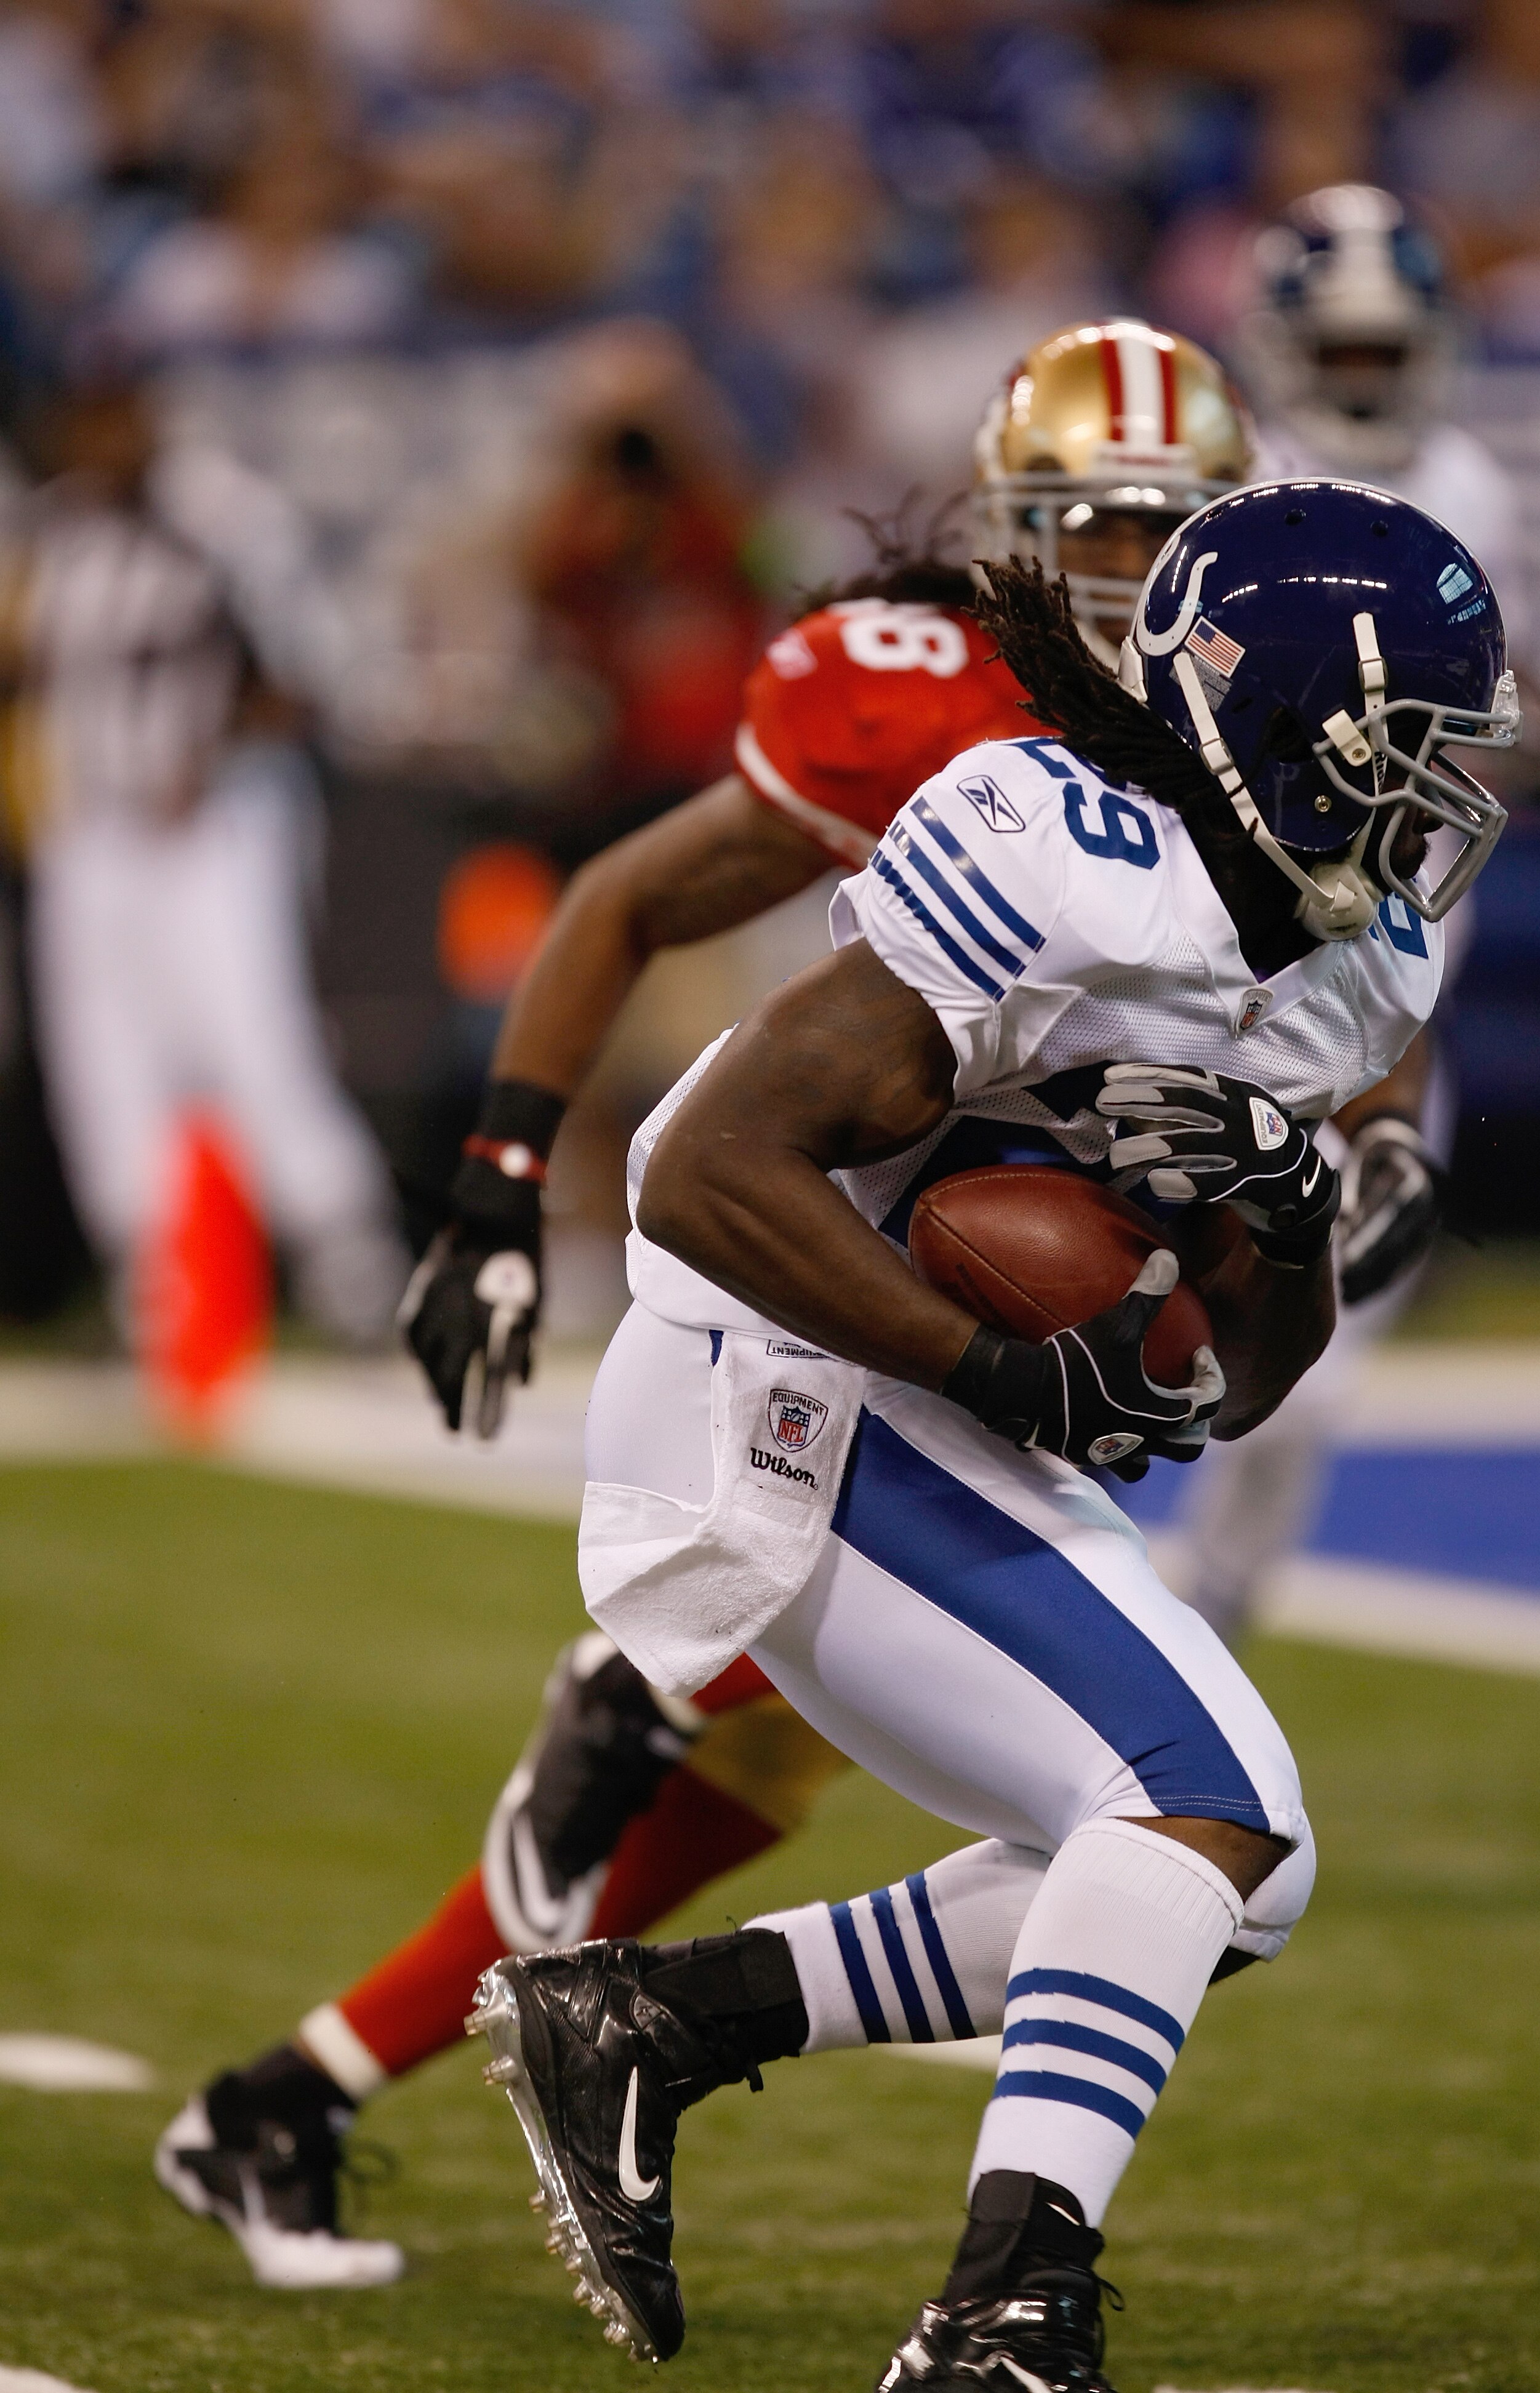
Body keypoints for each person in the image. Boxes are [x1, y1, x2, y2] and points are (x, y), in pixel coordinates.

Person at [153, 319, 1257, 2290]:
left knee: (749, 1799)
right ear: (1018, 522)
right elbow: (620, 904)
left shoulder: (1235, 736)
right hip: (824, 1291)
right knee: (1134, 1793)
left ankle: (293, 2097)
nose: (1123, 559)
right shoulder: (927, 695)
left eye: (1167, 524)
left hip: (984, 1299)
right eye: (1089, 517)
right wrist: (498, 1195)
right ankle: (636, 1694)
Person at [469, 477, 1515, 2390]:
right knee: (1206, 1797)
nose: (1438, 804)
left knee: (1235, 1872)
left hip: (921, 1401)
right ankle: (1002, 2315)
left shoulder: (1358, 960)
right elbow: (701, 1169)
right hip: (766, 1370)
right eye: (1409, 754)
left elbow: (1246, 1386)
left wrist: (1279, 1212)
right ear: (1283, 731)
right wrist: (1004, 1368)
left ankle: (658, 2020)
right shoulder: (1059, 849)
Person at [1179, 181, 1534, 1641]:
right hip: (1226, 930)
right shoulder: (1231, 469)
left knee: (1340, 1310)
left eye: (1389, 352)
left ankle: (1219, 1602)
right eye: (1348, 350)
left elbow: (1481, 731)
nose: (1369, 378)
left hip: (1392, 942)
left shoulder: (1477, 484)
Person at [7, 374, 407, 1349]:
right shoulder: (54, 529)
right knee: (104, 1058)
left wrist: (213, 753)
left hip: (213, 826)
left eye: (106, 418)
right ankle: (154, 1277)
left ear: (143, 417)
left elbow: (306, 672)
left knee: (251, 1035)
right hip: (87, 829)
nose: (91, 441)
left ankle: (345, 1258)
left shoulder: (225, 517)